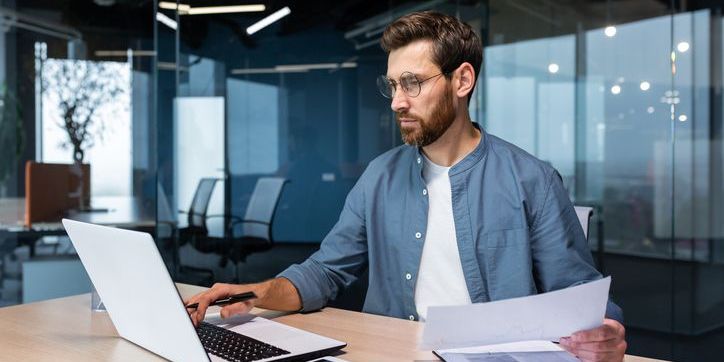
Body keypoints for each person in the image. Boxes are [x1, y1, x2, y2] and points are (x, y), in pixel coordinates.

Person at [185, 11, 627, 361]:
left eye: (413, 83)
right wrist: (254, 293)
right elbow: (326, 271)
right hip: (390, 351)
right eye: (394, 85)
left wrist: (604, 333)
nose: (397, 101)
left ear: (462, 80)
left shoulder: (532, 179)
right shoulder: (379, 175)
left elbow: (579, 299)